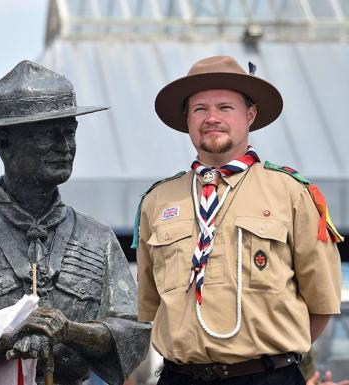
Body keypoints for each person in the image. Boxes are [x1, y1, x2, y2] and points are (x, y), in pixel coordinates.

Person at [0, 60, 150, 385]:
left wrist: (71, 332)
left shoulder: (98, 238)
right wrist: (5, 341)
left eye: (69, 132)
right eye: (49, 134)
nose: (65, 147)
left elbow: (132, 331)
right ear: (3, 141)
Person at [134, 55, 343, 385]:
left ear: (250, 115)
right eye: (200, 109)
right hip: (180, 377)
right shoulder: (157, 202)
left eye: (225, 108)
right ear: (187, 119)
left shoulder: (291, 193)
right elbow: (150, 307)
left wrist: (269, 357)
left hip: (268, 377)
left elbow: (322, 304)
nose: (211, 118)